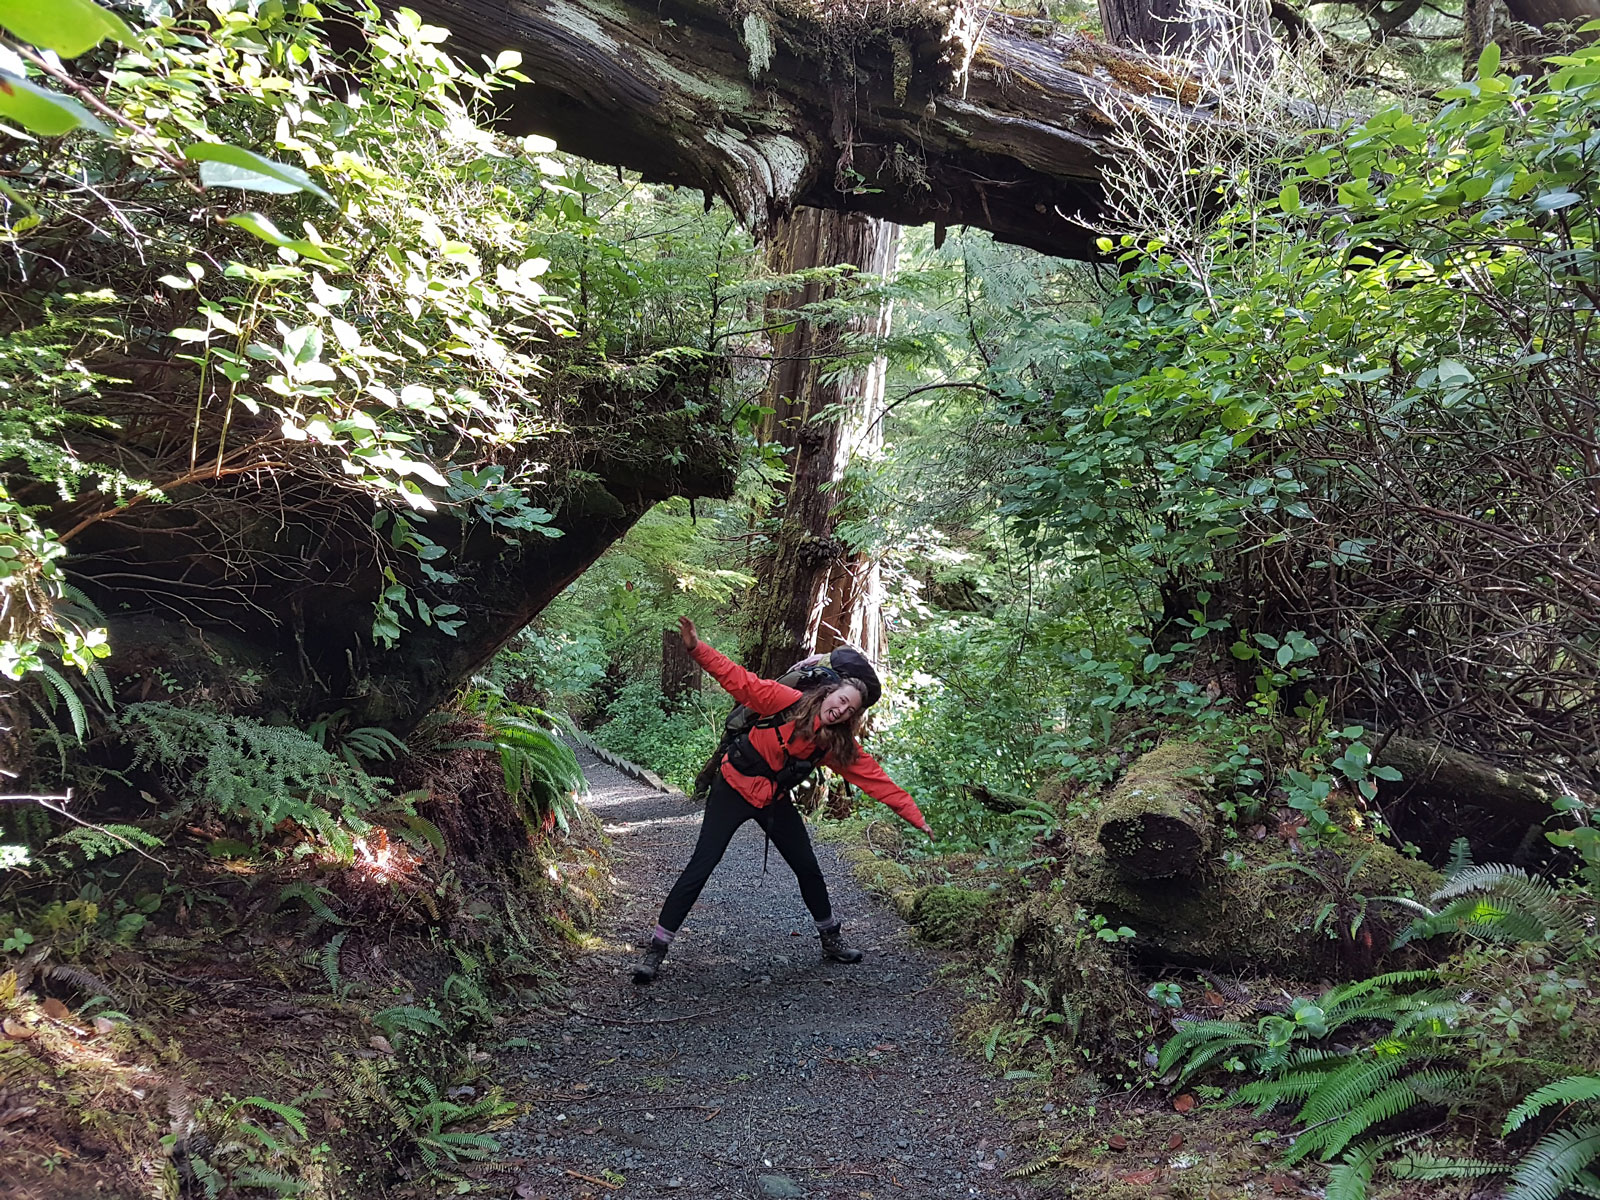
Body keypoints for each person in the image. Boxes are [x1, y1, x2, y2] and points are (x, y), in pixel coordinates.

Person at [632, 617, 932, 985]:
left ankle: (830, 938)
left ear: (850, 718)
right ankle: (656, 951)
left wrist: (916, 817)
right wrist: (697, 648)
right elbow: (738, 679)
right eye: (839, 701)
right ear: (828, 695)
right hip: (732, 787)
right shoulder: (785, 701)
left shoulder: (835, 745)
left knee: (807, 865)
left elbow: (877, 781)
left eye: (848, 710)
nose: (839, 710)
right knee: (701, 867)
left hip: (772, 799)